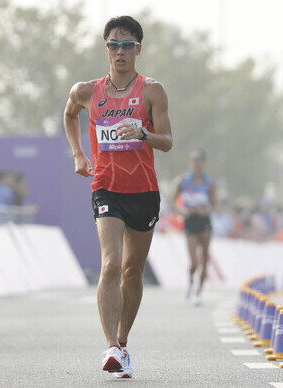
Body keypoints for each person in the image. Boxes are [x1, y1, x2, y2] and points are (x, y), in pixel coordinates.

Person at [63, 15, 172, 378]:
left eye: (127, 45)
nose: (120, 51)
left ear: (138, 49)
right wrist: (78, 153)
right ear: (105, 48)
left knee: (133, 272)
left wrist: (143, 132)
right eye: (113, 44)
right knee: (110, 265)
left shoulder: (152, 90)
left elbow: (168, 142)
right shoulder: (87, 91)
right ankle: (110, 347)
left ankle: (123, 342)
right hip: (106, 186)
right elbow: (69, 115)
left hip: (143, 190)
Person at [173, 149, 216, 306]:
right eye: (193, 160)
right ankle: (190, 282)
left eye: (199, 160)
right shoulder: (183, 181)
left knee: (204, 258)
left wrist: (206, 210)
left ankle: (199, 292)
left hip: (204, 221)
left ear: (204, 163)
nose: (196, 163)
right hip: (190, 221)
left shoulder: (209, 183)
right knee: (193, 262)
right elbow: (173, 202)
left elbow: (213, 204)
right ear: (190, 162)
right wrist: (183, 210)